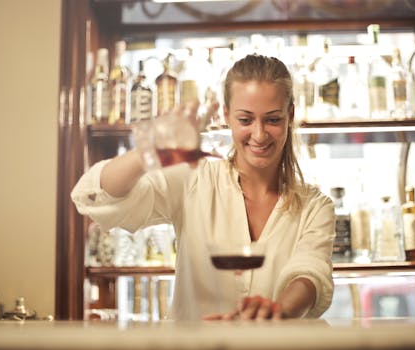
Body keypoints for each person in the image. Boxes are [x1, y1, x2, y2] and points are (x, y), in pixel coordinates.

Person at [71, 54, 335, 321]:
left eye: (273, 119)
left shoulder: (315, 207)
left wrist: (280, 311)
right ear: (226, 115)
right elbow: (98, 197)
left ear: (290, 115)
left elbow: (309, 273)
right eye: (245, 120)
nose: (259, 134)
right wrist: (150, 151)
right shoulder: (194, 178)